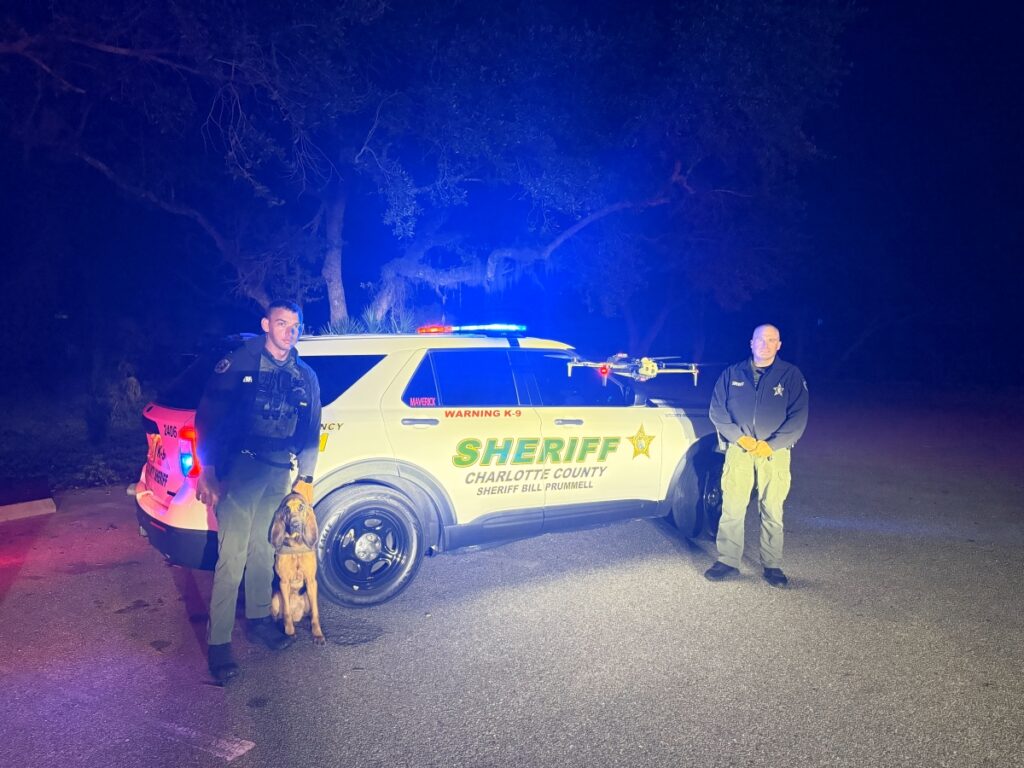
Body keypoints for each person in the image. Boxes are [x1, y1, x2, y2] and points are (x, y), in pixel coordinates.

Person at [195, 300, 322, 682]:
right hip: (239, 468)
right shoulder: (239, 363)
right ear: (266, 324)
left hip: (279, 470)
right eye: (282, 323)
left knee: (264, 547)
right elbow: (208, 418)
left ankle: (257, 621)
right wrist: (208, 470)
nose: (289, 332)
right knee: (232, 556)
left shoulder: (305, 375)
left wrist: (307, 478)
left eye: (295, 326)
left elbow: (313, 427)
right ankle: (219, 646)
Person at [705, 324, 808, 587]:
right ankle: (728, 560)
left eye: (771, 340)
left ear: (779, 345)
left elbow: (798, 418)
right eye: (760, 339)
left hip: (774, 452)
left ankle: (772, 564)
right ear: (751, 343)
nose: (765, 344)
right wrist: (739, 438)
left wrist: (772, 445)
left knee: (772, 508)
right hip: (740, 450)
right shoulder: (732, 374)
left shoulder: (791, 376)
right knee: (732, 507)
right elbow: (717, 411)